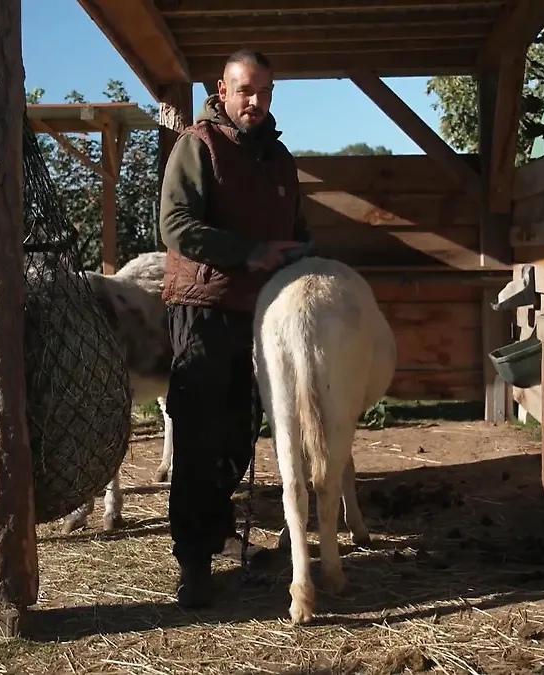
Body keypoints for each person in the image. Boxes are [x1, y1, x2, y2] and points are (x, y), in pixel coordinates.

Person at [158, 48, 312, 608]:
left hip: (264, 313)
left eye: (265, 91)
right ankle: (193, 562)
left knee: (241, 429)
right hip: (204, 307)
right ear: (223, 91)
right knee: (200, 431)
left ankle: (217, 528)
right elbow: (175, 225)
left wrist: (302, 254)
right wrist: (250, 252)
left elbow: (297, 227)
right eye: (246, 90)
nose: (256, 101)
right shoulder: (198, 145)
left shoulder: (280, 159)